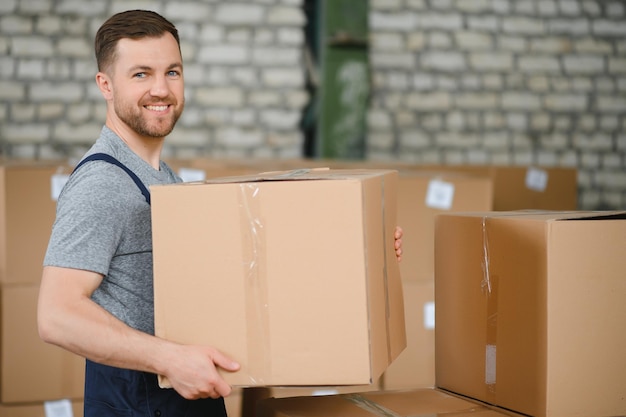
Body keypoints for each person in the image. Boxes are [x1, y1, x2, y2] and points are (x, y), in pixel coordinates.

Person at [37, 9, 403, 417]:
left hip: (185, 395)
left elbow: (231, 278)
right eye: (140, 74)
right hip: (141, 402)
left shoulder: (162, 178)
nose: (161, 89)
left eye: (172, 72)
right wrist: (169, 360)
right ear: (105, 84)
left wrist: (361, 249)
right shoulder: (103, 183)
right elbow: (57, 314)